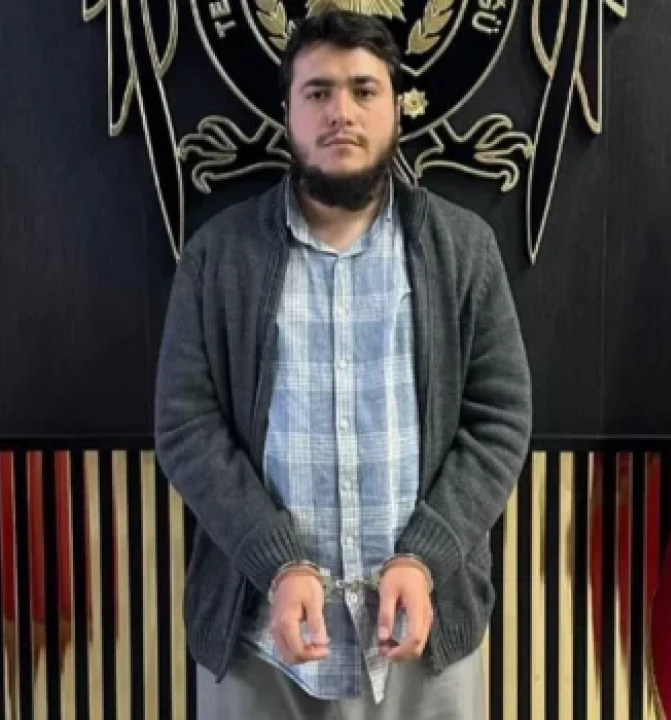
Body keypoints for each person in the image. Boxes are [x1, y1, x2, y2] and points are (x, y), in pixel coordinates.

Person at [154, 10, 532, 718]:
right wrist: (275, 562)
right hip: (258, 641)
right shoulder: (218, 257)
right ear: (287, 113)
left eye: (364, 90)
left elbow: (500, 420)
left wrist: (425, 557)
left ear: (396, 107)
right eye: (318, 92)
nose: (341, 113)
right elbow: (185, 428)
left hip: (424, 636)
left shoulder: (463, 250)